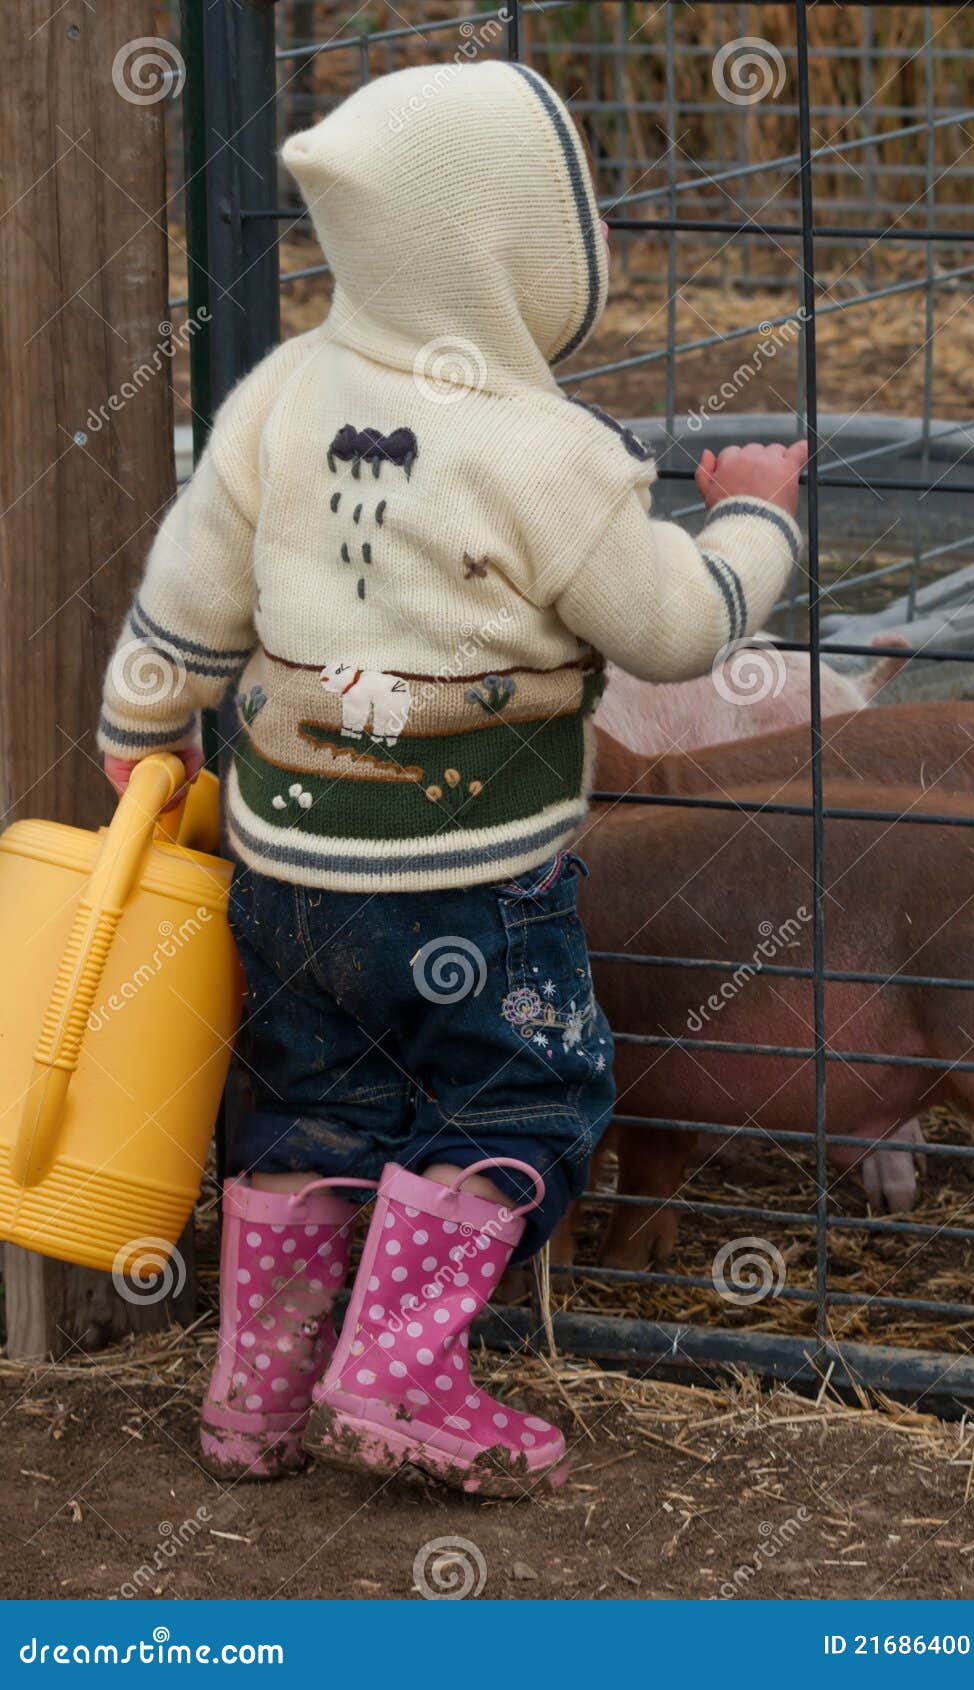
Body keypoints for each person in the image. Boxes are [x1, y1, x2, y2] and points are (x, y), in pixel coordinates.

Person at [100, 59, 805, 1495]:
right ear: (526, 256)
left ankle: (259, 1395)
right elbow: (671, 630)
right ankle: (402, 1376)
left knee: (310, 1100)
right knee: (515, 1097)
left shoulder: (281, 394)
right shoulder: (547, 451)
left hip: (287, 867)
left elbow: (190, 582)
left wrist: (143, 716)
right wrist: (753, 524)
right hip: (474, 882)